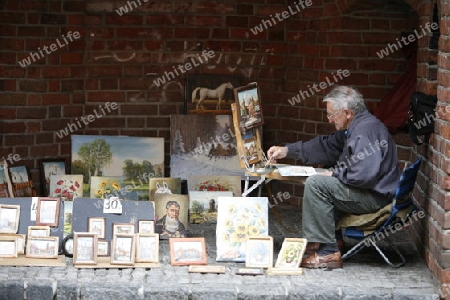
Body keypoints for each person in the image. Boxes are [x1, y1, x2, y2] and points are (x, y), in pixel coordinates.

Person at [267, 85, 400, 269]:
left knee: (317, 184)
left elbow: (364, 174)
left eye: (331, 115)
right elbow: (325, 146)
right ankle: (333, 240)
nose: (329, 120)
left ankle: (328, 252)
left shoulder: (364, 132)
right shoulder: (356, 126)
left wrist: (335, 173)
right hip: (372, 191)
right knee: (324, 174)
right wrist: (287, 150)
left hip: (374, 198)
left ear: (346, 112)